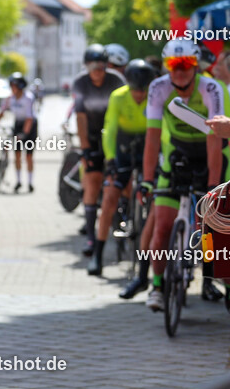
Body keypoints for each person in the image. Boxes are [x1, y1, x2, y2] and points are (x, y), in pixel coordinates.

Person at [142, 38, 227, 310]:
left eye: (186, 64)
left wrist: (212, 185)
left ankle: (222, 279)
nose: (179, 70)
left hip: (210, 154)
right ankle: (157, 285)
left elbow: (215, 137)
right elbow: (152, 137)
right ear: (166, 66)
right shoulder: (158, 88)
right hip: (178, 155)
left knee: (215, 228)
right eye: (173, 65)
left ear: (196, 65)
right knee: (162, 226)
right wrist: (147, 179)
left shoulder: (211, 88)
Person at [92, 59, 155, 278]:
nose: (139, 95)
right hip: (123, 149)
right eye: (135, 90)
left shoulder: (156, 97)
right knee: (110, 197)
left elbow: (164, 130)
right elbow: (109, 129)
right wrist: (110, 159)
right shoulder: (118, 96)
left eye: (143, 90)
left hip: (147, 147)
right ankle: (98, 254)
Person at [72, 44, 126, 257]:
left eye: (101, 66)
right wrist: (85, 148)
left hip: (115, 135)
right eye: (93, 66)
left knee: (122, 180)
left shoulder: (116, 80)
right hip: (93, 136)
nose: (97, 71)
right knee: (92, 182)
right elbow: (80, 117)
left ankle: (125, 216)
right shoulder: (80, 83)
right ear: (86, 66)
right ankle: (90, 237)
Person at [0, 72, 38, 193]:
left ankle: (30, 182)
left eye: (14, 85)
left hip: (30, 126)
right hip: (18, 124)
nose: (12, 88)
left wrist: (24, 134)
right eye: (11, 85)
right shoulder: (10, 98)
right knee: (17, 154)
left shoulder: (28, 98)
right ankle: (18, 181)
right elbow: (2, 112)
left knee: (28, 156)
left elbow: (29, 118)